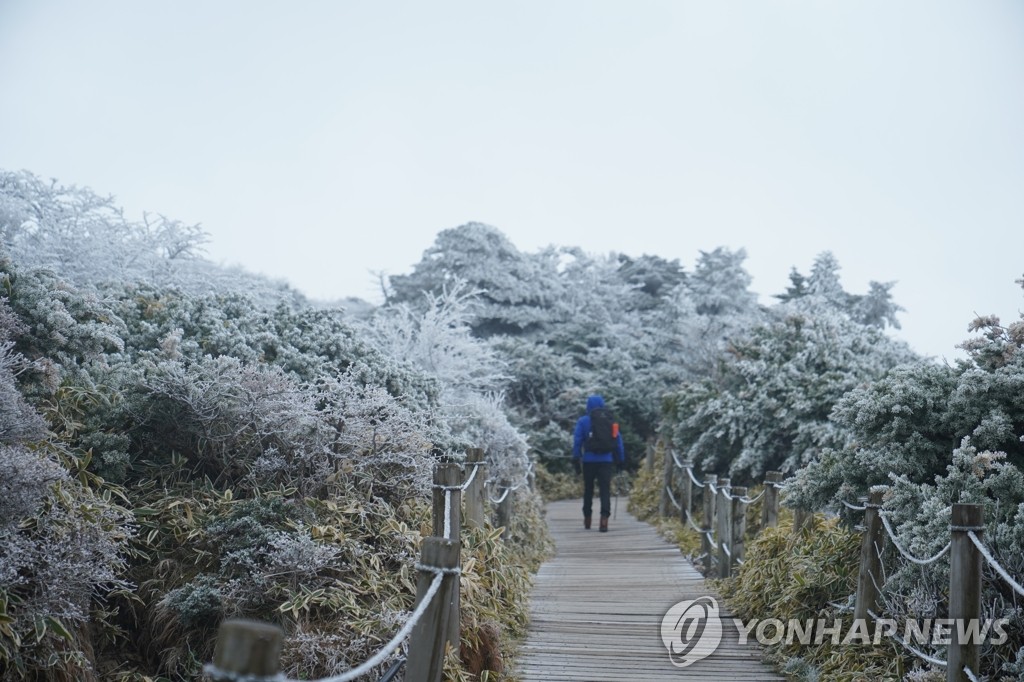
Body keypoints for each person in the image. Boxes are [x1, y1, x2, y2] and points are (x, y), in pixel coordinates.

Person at [572, 394, 626, 532]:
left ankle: (588, 519)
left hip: (588, 461)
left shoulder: (583, 421)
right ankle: (604, 520)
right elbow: (618, 441)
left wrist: (576, 458)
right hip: (606, 460)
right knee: (605, 491)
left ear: (588, 406)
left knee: (588, 490)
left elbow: (577, 441)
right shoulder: (610, 421)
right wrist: (620, 460)